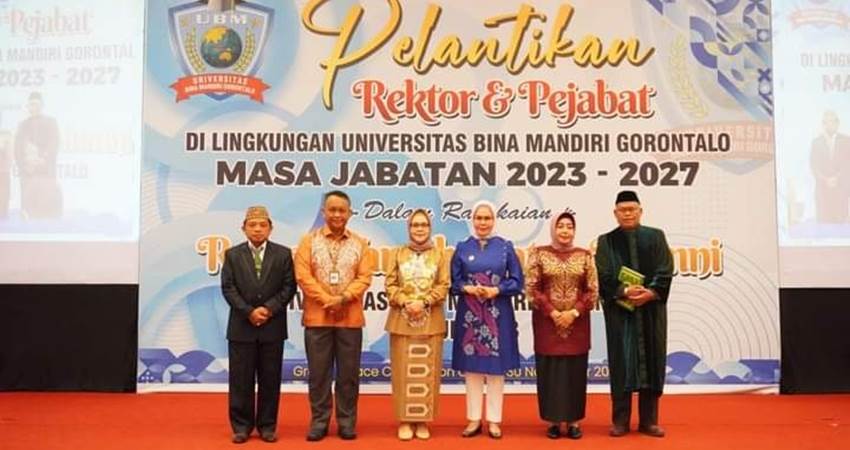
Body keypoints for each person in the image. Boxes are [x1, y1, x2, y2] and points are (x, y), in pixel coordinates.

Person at [294, 190, 374, 441]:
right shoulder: (308, 241)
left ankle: (346, 422)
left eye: (342, 210)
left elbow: (364, 277)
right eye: (332, 209)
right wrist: (327, 300)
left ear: (350, 213)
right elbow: (303, 276)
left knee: (348, 375)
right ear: (323, 212)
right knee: (319, 375)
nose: (337, 214)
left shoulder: (361, 243)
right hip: (317, 319)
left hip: (350, 320)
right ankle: (319, 421)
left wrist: (342, 298)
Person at [595, 191, 673, 438]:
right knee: (621, 364)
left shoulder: (656, 237)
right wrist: (624, 290)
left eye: (632, 209)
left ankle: (649, 421)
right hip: (621, 313)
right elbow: (603, 275)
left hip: (651, 311)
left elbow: (666, 269)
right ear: (615, 213)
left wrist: (652, 292)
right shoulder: (606, 241)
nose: (627, 213)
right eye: (623, 210)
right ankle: (620, 420)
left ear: (641, 211)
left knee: (652, 362)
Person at [220, 205, 297, 444]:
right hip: (241, 327)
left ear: (270, 228)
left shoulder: (283, 254)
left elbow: (289, 287)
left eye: (262, 225)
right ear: (243, 229)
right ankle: (241, 426)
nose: (257, 229)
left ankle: (267, 426)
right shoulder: (233, 255)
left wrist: (268, 309)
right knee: (240, 380)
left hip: (272, 327)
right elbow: (228, 288)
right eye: (252, 225)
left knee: (270, 379)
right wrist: (249, 312)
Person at [450, 201, 522, 439]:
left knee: (495, 370)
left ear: (494, 220)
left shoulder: (505, 247)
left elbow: (517, 281)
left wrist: (497, 290)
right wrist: (468, 288)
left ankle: (494, 420)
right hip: (470, 316)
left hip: (497, 315)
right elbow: (454, 282)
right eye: (479, 218)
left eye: (487, 218)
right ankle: (473, 419)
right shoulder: (462, 247)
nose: (483, 223)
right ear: (472, 219)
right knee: (471, 371)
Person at [525, 211, 598, 440]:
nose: (565, 230)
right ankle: (554, 421)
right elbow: (532, 288)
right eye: (561, 226)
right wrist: (553, 312)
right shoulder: (539, 254)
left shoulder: (585, 256)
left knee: (575, 373)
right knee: (551, 373)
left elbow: (592, 289)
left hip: (577, 325)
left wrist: (574, 312)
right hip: (548, 326)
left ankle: (574, 421)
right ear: (553, 229)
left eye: (569, 226)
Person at [384, 209, 450, 441]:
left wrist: (424, 302)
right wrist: (405, 302)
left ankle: (422, 420)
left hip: (431, 321)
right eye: (415, 225)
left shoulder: (440, 255)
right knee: (403, 371)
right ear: (408, 228)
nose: (419, 229)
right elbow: (390, 284)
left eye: (423, 225)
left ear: (430, 228)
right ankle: (404, 419)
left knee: (427, 371)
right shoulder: (397, 253)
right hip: (401, 321)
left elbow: (444, 285)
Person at [14, 92, 61, 219]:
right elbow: (17, 148)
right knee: (28, 202)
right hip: (28, 169)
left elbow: (54, 142)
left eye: (35, 104)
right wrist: (25, 164)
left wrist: (43, 159)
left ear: (42, 106)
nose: (33, 107)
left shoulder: (51, 122)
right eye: (30, 104)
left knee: (46, 200)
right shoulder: (22, 125)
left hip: (45, 167)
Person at [810, 110, 850, 223]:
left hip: (841, 192)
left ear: (838, 123)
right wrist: (825, 180)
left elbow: (848, 164)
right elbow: (814, 165)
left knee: (842, 228)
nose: (832, 124)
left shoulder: (847, 141)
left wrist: (837, 178)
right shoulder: (816, 143)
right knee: (824, 227)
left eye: (834, 121)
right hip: (823, 192)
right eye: (828, 121)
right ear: (823, 124)